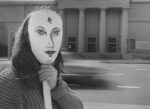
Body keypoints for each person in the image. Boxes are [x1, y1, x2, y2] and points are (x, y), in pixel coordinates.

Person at [0, 8, 84, 109]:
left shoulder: (51, 73)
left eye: (56, 33)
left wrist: (57, 87)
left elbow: (78, 107)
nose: (51, 43)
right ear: (26, 37)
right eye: (41, 32)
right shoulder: (8, 82)